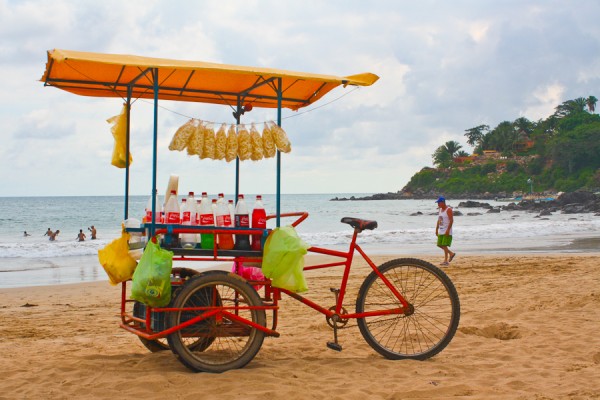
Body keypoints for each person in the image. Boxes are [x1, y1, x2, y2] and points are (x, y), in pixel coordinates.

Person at [435, 196, 456, 266]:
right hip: (441, 230)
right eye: (437, 203)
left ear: (443, 202)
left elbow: (451, 220)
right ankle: (451, 253)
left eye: (439, 203)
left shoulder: (449, 209)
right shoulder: (440, 210)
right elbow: (439, 220)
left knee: (444, 245)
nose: (438, 205)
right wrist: (436, 229)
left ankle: (446, 261)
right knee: (439, 244)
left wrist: (448, 230)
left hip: (447, 231)